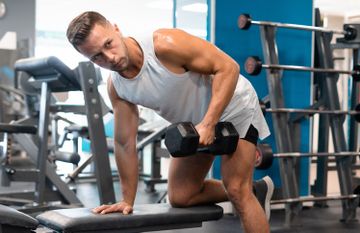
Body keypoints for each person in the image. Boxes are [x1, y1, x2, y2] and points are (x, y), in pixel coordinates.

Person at [66, 11, 274, 233]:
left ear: (116, 29)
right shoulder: (118, 87)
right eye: (97, 57)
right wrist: (127, 200)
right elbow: (125, 143)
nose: (110, 58)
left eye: (109, 44)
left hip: (235, 105)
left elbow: (228, 67)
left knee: (236, 190)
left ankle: (243, 190)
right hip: (195, 125)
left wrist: (208, 123)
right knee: (182, 196)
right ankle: (255, 189)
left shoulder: (164, 45)